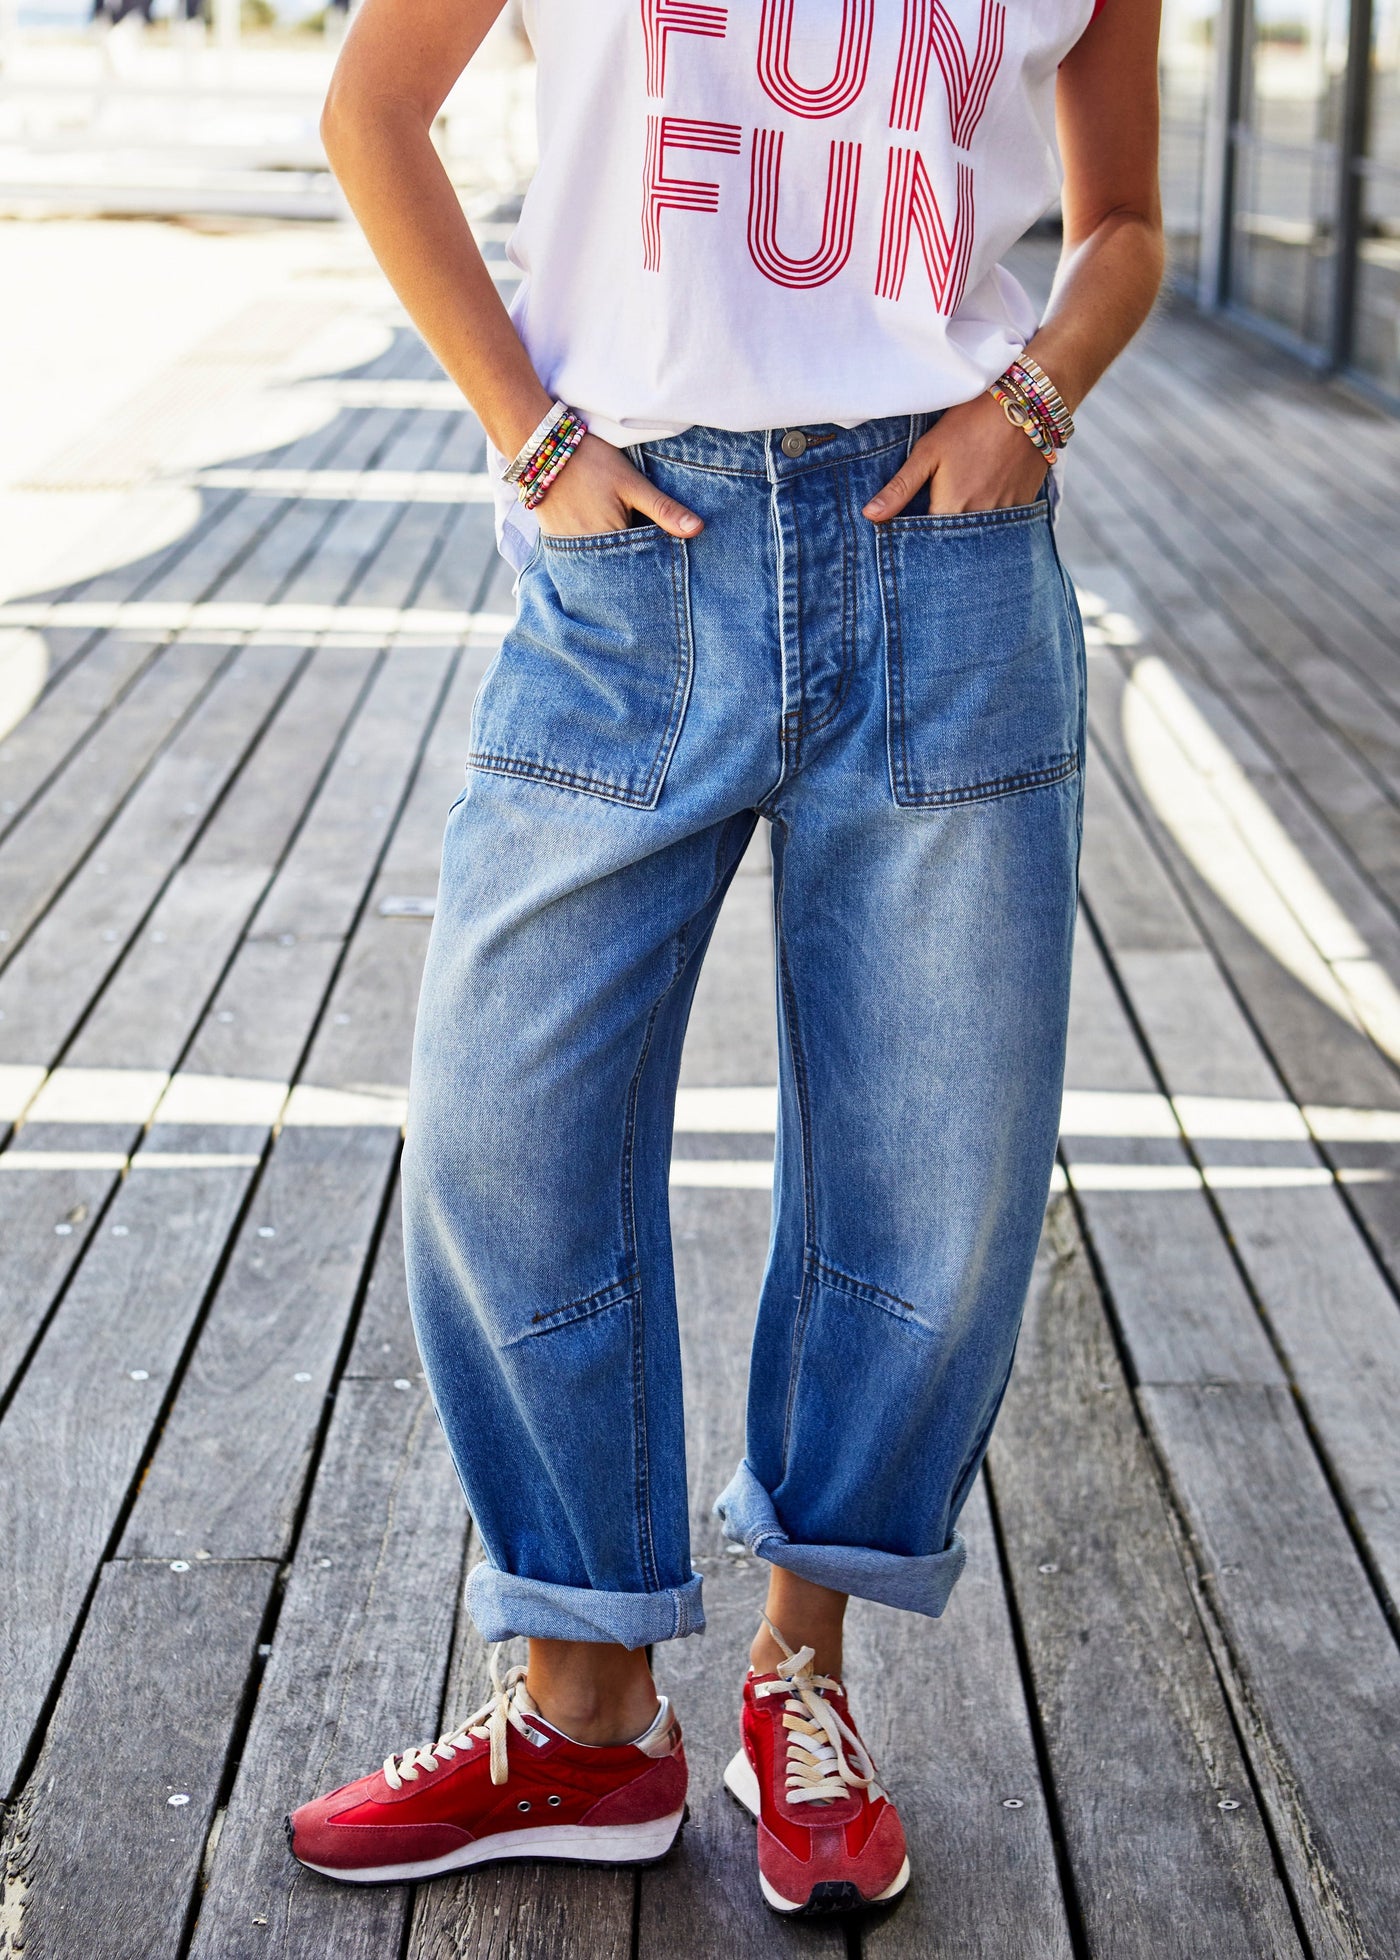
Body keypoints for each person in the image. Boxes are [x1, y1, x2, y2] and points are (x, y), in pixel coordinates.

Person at [289, 0, 1163, 1918]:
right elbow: (375, 105)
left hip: (943, 559)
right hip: (630, 563)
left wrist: (1034, 405)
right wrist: (525, 434)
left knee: (929, 1175)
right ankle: (585, 1718)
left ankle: (802, 1679)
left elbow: (1127, 225)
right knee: (499, 1124)